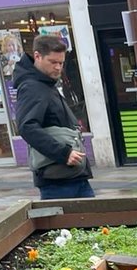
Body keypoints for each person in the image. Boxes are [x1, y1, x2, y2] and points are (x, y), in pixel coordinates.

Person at [15, 35, 92, 199]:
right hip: (58, 179)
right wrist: (63, 153)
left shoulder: (45, 84)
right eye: (53, 62)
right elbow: (26, 127)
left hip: (70, 176)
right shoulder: (32, 87)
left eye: (61, 63)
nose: (58, 67)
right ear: (37, 56)